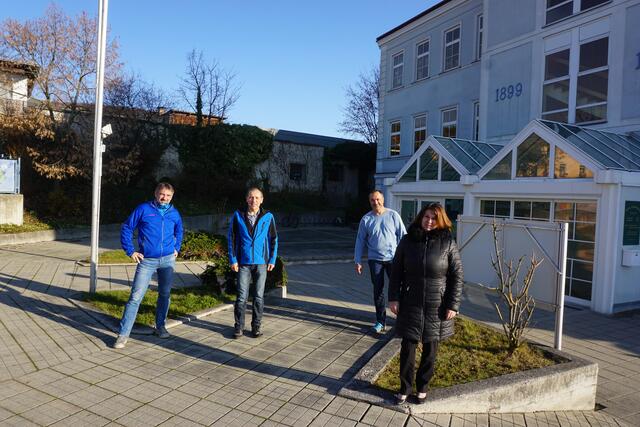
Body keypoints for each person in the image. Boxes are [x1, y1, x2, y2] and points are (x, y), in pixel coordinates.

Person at [388, 203, 463, 405]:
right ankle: (404, 387)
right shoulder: (407, 241)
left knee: (431, 349)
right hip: (410, 302)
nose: (429, 221)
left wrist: (452, 305)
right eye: (426, 217)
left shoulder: (448, 243)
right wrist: (394, 298)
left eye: (434, 218)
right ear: (420, 217)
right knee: (408, 347)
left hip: (436, 305)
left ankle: (422, 387)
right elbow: (396, 272)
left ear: (440, 221)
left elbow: (457, 276)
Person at [114, 182, 184, 349]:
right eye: (162, 194)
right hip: (147, 261)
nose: (164, 198)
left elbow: (179, 230)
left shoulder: (174, 213)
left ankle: (160, 327)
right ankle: (123, 335)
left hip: (167, 260)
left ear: (172, 197)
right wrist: (130, 251)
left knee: (165, 295)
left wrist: (176, 247)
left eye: (168, 195)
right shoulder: (143, 209)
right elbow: (127, 227)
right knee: (135, 297)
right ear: (155, 193)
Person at [228, 188, 278, 338]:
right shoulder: (238, 215)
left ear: (262, 200)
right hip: (243, 262)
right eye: (251, 197)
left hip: (261, 263)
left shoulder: (268, 217)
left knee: (258, 297)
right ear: (246, 199)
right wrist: (233, 259)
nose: (254, 200)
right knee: (242, 296)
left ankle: (256, 327)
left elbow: (274, 238)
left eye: (257, 198)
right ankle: (238, 327)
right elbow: (231, 238)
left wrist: (272, 259)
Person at [354, 190, 406, 334]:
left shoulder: (393, 215)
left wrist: (406, 257)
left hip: (393, 260)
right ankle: (380, 321)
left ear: (383, 200)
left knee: (397, 289)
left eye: (377, 199)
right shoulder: (366, 219)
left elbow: (403, 236)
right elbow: (360, 241)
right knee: (378, 291)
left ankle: (402, 319)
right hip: (374, 261)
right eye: (372, 200)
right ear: (369, 202)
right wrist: (357, 260)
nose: (375, 202)